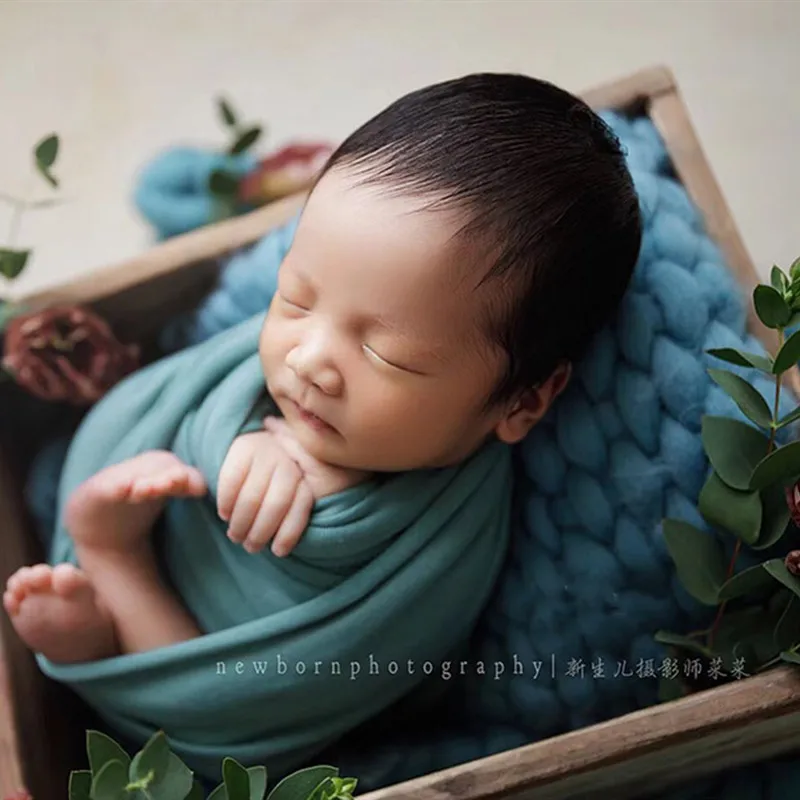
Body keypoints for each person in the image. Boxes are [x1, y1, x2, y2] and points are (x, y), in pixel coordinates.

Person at [3, 72, 642, 666]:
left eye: (385, 355)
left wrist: (114, 548)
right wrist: (233, 440)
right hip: (141, 513)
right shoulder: (270, 373)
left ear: (522, 404)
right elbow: (176, 398)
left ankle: (110, 582)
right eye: (294, 299)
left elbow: (265, 688)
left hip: (197, 672)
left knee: (134, 587)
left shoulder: (435, 552)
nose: (308, 361)